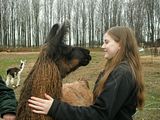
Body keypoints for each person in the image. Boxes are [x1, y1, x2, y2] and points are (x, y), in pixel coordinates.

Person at [28, 26, 145, 120]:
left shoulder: (121, 74)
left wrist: (55, 108)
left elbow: (100, 114)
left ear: (120, 44)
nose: (102, 46)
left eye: (106, 42)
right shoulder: (117, 70)